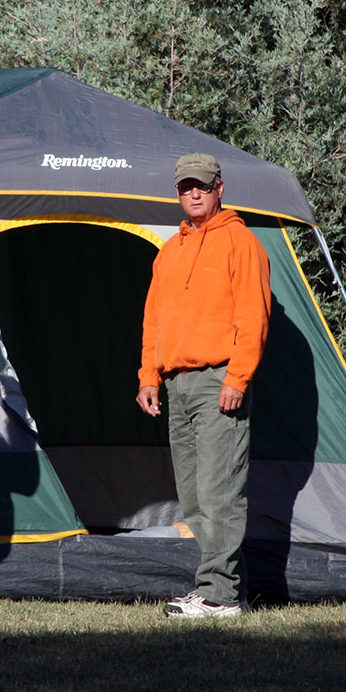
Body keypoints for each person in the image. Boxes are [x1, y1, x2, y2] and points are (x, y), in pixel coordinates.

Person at [137, 152, 271, 618]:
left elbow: (253, 317)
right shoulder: (170, 251)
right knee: (194, 495)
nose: (193, 193)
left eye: (202, 185)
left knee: (220, 492)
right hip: (176, 384)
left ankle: (219, 595)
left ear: (220, 188)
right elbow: (154, 320)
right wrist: (149, 375)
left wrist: (238, 377)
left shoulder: (241, 243)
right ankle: (222, 589)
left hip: (219, 381)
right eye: (184, 186)